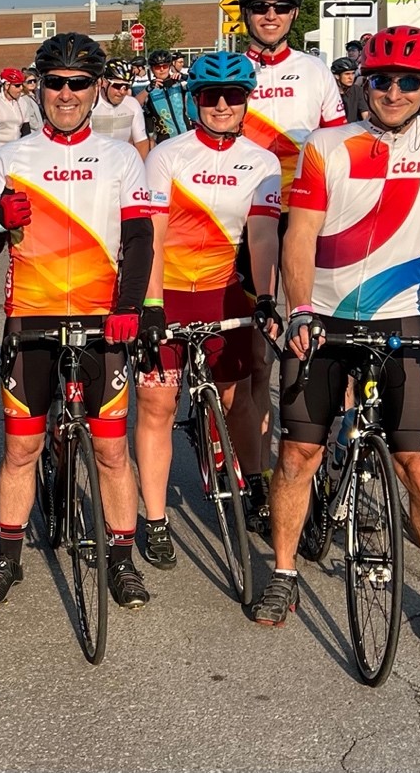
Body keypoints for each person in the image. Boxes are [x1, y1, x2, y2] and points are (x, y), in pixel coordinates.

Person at [252, 26, 420, 648]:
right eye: (381, 78)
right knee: (297, 454)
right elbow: (300, 234)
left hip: (398, 322)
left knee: (419, 463)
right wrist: (299, 310)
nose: (392, 91)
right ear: (363, 82)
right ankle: (282, 572)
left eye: (408, 80)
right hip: (324, 320)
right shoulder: (327, 146)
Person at [0, 32, 154, 611]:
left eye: (79, 83)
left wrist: (129, 307)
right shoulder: (12, 156)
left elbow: (141, 238)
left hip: (104, 322)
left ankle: (121, 560)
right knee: (21, 450)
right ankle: (6, 558)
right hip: (30, 321)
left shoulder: (121, 156)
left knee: (111, 450)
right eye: (55, 82)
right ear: (38, 88)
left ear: (97, 89)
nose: (67, 93)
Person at [135, 52, 282, 569]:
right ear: (193, 99)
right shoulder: (167, 155)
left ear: (246, 101)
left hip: (224, 290)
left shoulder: (262, 162)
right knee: (157, 404)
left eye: (233, 96)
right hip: (168, 291)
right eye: (210, 96)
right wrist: (150, 304)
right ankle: (154, 519)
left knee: (238, 398)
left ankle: (255, 483)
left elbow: (263, 236)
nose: (221, 105)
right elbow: (150, 234)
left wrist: (265, 299)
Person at [234, 0, 346, 531]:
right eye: (260, 7)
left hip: (306, 221)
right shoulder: (226, 70)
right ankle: (255, 481)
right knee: (255, 360)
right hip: (242, 226)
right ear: (247, 15)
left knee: (322, 350)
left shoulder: (316, 73)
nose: (270, 15)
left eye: (280, 6)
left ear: (295, 13)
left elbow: (339, 146)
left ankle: (325, 466)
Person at [90, 58, 151, 158]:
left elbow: (141, 142)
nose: (122, 91)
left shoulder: (132, 104)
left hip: (123, 164)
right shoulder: (91, 105)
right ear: (104, 82)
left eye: (126, 86)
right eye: (118, 86)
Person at [0, 67, 39, 161]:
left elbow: (26, 130)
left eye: (21, 86)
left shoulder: (22, 102)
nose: (20, 89)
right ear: (7, 86)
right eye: (17, 86)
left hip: (13, 147)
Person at [144, 49, 192, 142]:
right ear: (152, 69)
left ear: (169, 66)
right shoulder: (150, 90)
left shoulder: (179, 83)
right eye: (157, 67)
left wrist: (183, 77)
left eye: (165, 66)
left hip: (186, 136)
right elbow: (134, 104)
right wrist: (147, 89)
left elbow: (199, 84)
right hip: (165, 142)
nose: (162, 69)